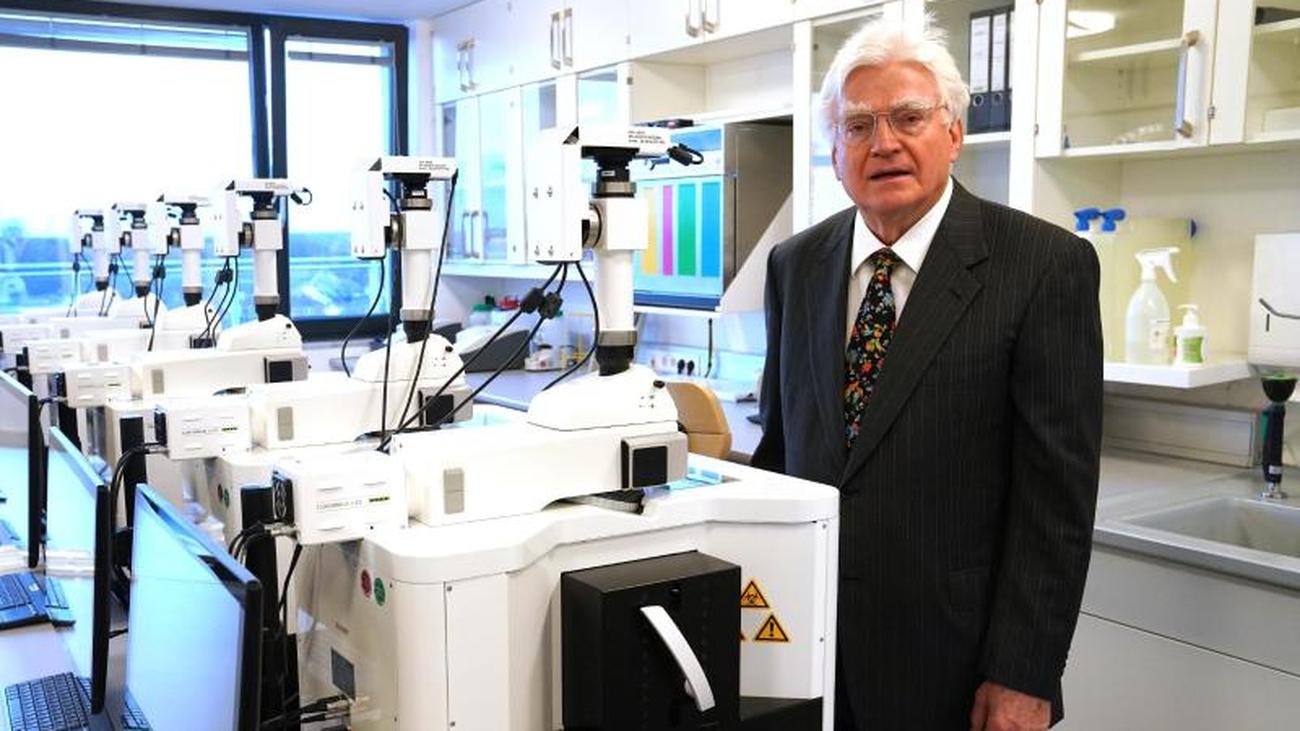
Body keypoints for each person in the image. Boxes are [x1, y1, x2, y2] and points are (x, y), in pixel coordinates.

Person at [751, 18, 1102, 731]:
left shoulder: (1042, 266)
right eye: (858, 125)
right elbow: (781, 455)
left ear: (953, 132)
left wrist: (1023, 674)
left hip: (955, 671)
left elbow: (1055, 503)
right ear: (835, 152)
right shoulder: (795, 266)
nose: (883, 143)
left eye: (908, 117)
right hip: (807, 655)